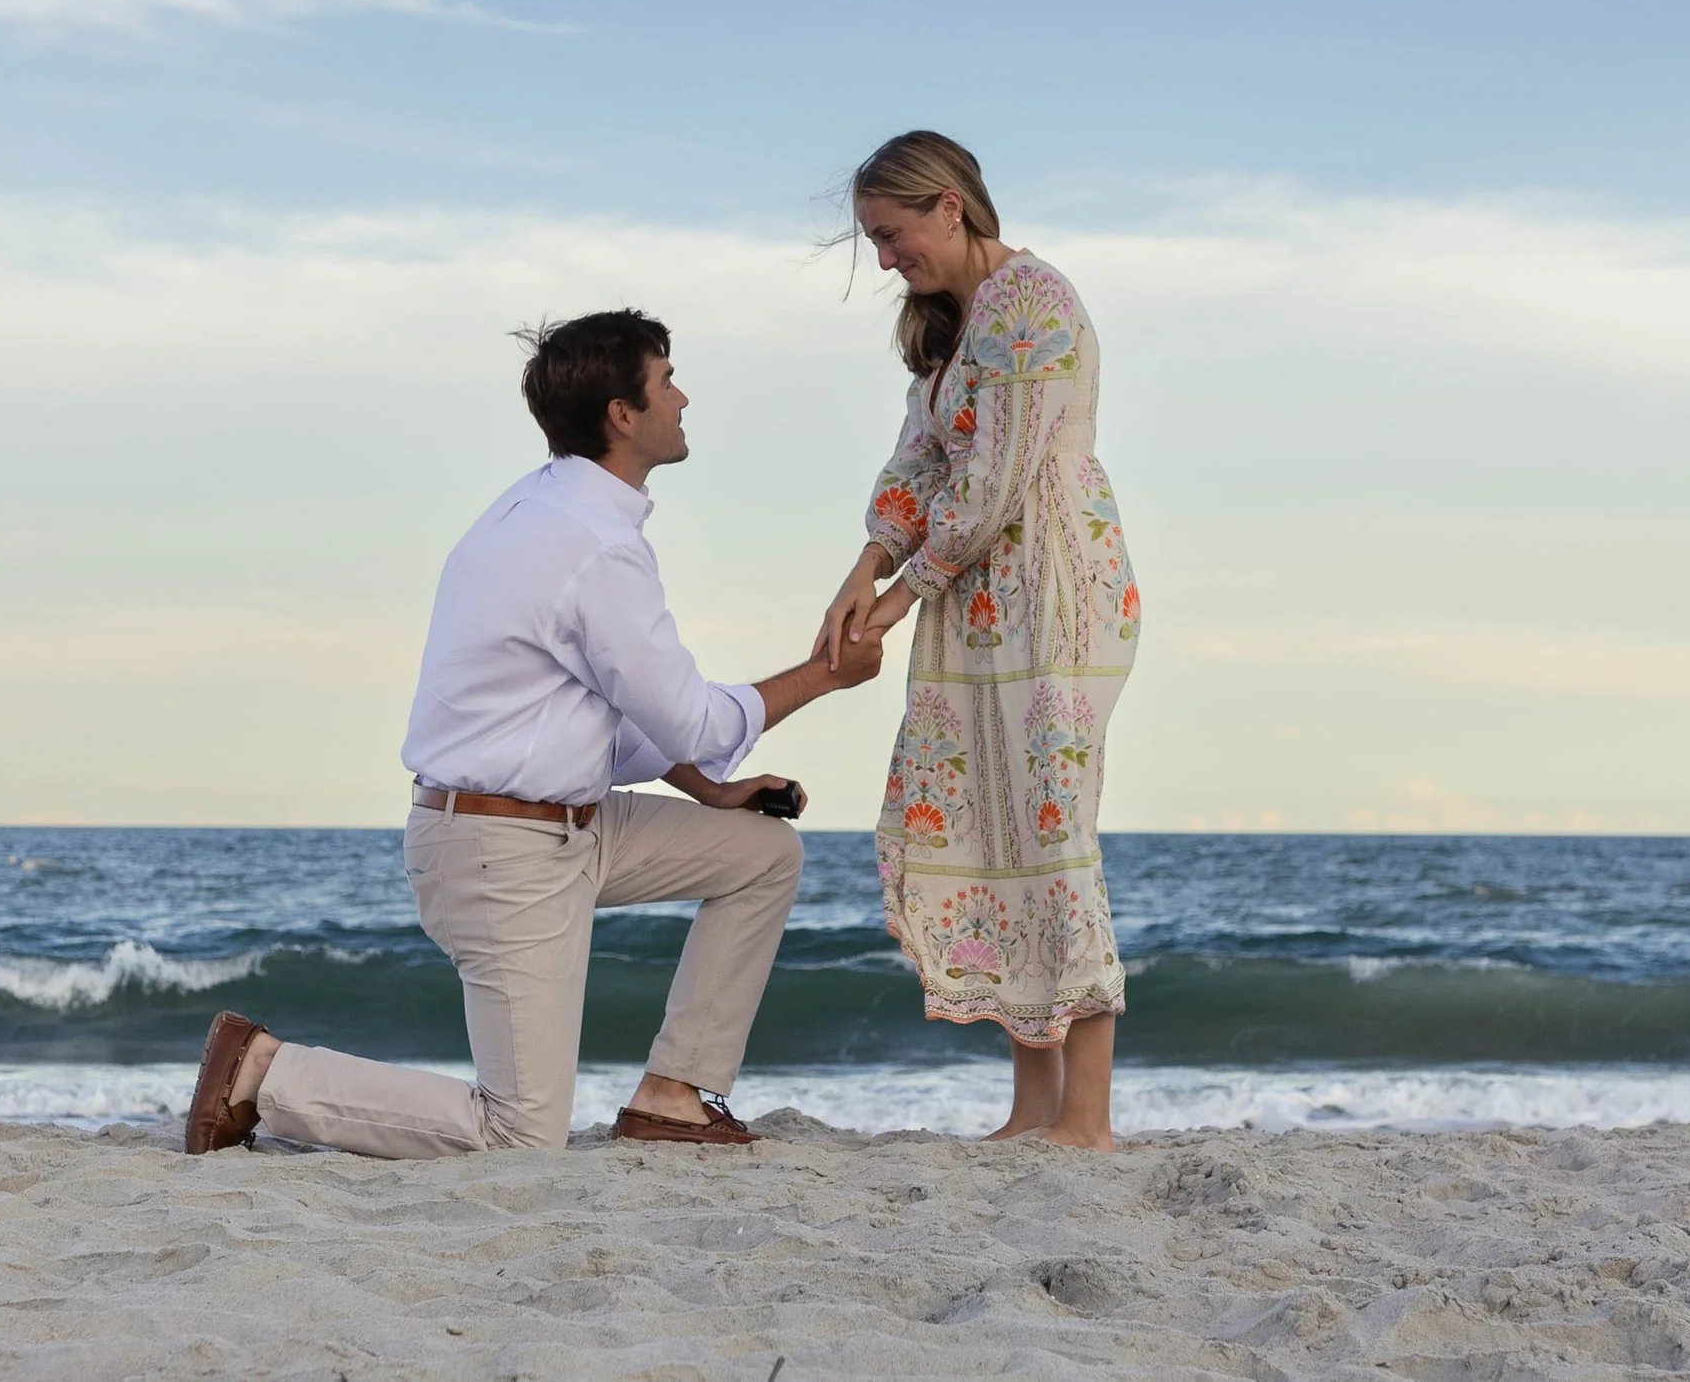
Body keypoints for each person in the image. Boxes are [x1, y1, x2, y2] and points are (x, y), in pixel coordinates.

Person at [185, 308, 885, 1157]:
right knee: (520, 1136)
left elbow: (608, 716)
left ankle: (672, 1093)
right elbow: (693, 719)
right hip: (499, 847)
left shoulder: (542, 509)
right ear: (623, 415)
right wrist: (827, 675)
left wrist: (713, 788)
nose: (684, 396)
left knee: (761, 854)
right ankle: (265, 1072)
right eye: (667, 380)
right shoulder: (591, 547)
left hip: (565, 825)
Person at [817, 131, 1141, 1152]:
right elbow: (920, 454)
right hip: (977, 589)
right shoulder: (950, 325)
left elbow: (999, 476)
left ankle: (1084, 1115)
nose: (884, 258)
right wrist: (865, 567)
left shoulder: (1033, 302)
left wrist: (910, 585)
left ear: (949, 205)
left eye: (890, 232)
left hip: (1050, 585)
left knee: (1050, 826)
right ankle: (1031, 1105)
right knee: (992, 824)